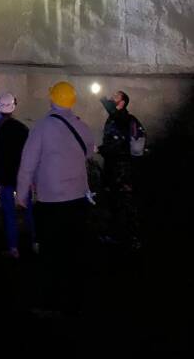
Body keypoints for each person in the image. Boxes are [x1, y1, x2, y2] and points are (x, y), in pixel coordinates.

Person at [16, 81, 94, 315]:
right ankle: (76, 301)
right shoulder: (81, 126)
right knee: (74, 253)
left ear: (52, 100)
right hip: (78, 200)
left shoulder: (42, 127)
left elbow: (28, 164)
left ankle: (51, 303)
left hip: (51, 202)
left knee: (51, 254)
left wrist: (21, 195)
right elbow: (89, 151)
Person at [0, 93, 35, 258]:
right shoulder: (22, 128)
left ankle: (13, 248)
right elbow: (30, 154)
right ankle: (35, 242)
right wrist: (31, 177)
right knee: (29, 209)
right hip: (22, 175)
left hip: (4, 176)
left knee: (9, 212)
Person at [98, 90, 145, 249]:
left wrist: (101, 150)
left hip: (123, 169)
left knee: (126, 202)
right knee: (113, 201)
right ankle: (116, 235)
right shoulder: (115, 118)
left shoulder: (124, 118)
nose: (113, 96)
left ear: (122, 102)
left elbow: (118, 145)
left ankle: (133, 237)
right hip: (113, 166)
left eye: (116, 95)